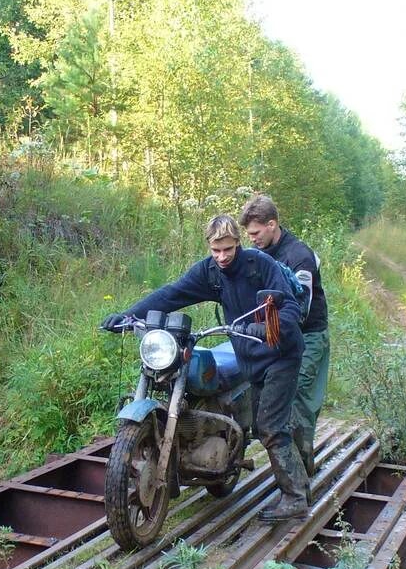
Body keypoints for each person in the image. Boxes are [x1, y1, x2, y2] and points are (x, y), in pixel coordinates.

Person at [101, 215, 311, 522]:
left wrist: (267, 327)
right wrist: (128, 316)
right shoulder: (211, 272)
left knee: (270, 427)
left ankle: (295, 498)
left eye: (228, 249)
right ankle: (296, 482)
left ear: (238, 243)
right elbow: (172, 294)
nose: (222, 257)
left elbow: (290, 306)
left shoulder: (260, 265)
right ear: (209, 247)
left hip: (280, 355)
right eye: (216, 250)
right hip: (249, 357)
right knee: (264, 424)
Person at [239, 194, 329, 476]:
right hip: (273, 336)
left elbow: (301, 307)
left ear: (272, 224)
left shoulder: (299, 257)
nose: (251, 238)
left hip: (307, 336)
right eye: (248, 234)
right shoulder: (258, 254)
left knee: (296, 401)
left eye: (255, 233)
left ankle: (301, 477)